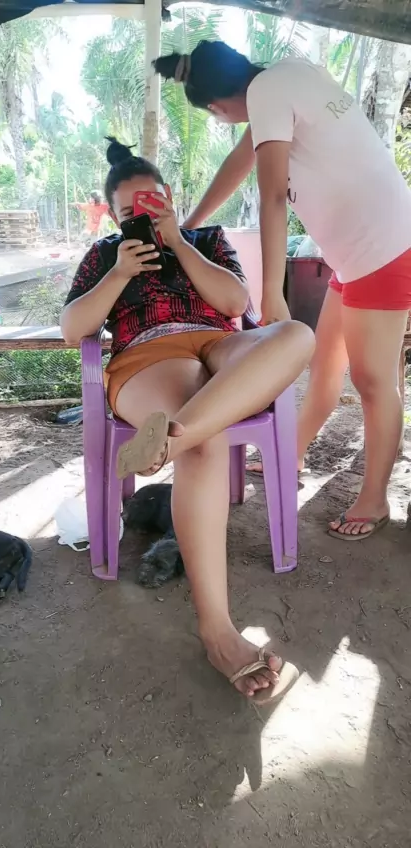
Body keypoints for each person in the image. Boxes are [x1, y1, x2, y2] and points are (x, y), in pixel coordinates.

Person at [61, 137, 314, 701]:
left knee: (297, 334)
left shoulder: (206, 238)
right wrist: (119, 274)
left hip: (221, 346)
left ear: (170, 197)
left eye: (152, 205)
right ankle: (217, 632)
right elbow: (74, 329)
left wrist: (178, 240)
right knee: (207, 440)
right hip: (149, 356)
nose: (143, 219)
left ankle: (168, 442)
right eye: (130, 213)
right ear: (114, 217)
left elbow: (234, 305)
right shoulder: (104, 256)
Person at [153, 42, 411, 541]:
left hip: (383, 248)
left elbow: (272, 196)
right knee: (326, 365)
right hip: (358, 251)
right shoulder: (285, 76)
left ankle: (375, 498)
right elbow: (240, 164)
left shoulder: (268, 91)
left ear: (216, 106)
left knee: (373, 381)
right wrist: (189, 225)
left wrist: (272, 292)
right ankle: (291, 453)